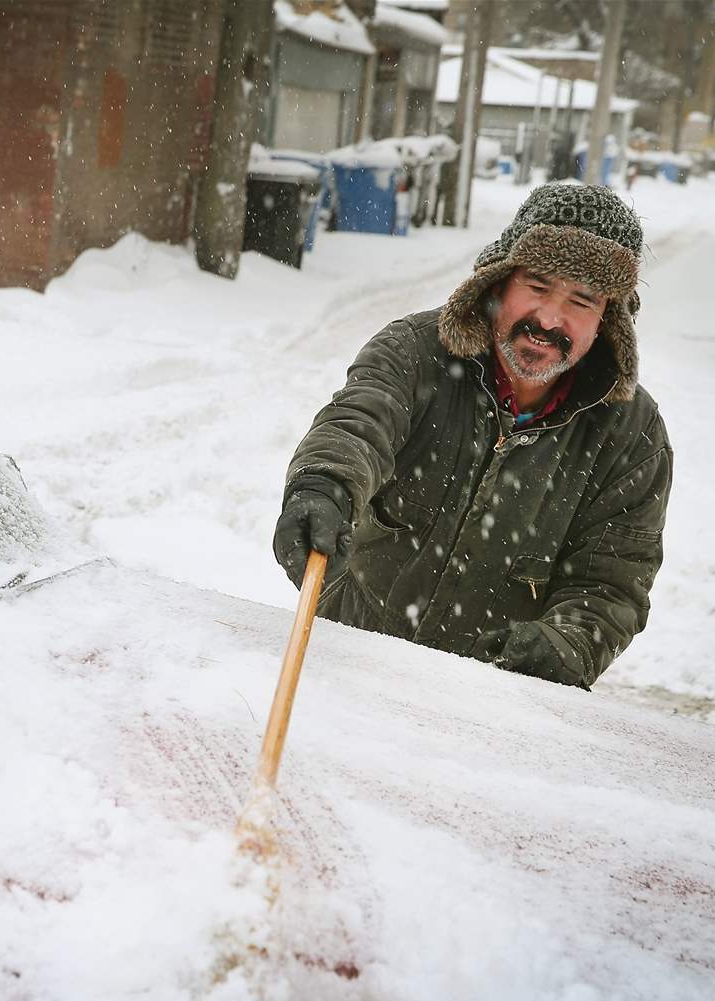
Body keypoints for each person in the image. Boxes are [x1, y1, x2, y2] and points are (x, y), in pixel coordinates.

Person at [272, 183, 671, 688]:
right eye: (539, 285)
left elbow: (612, 582)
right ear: (500, 282)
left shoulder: (633, 436)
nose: (550, 318)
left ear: (607, 320)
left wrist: (563, 648)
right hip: (348, 661)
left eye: (581, 300)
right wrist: (323, 487)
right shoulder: (416, 352)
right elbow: (357, 424)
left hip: (488, 705)